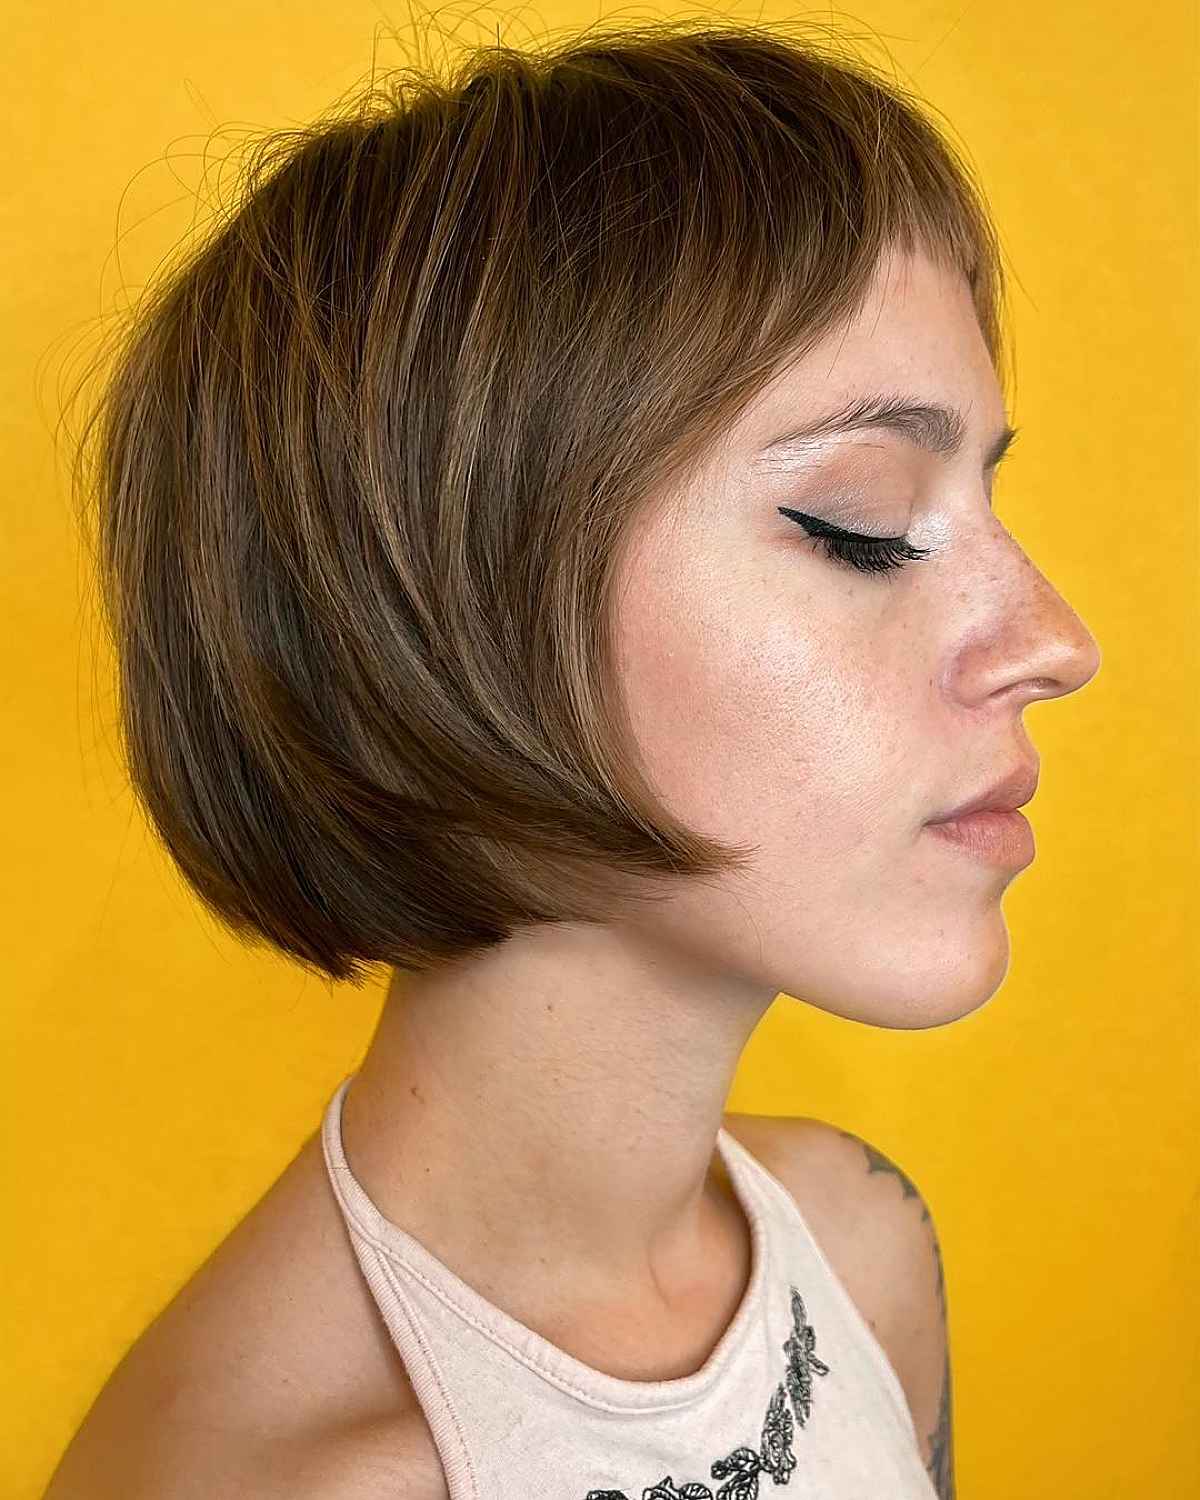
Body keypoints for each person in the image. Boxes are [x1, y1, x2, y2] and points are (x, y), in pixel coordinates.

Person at [45, 18, 1101, 1500]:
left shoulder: (862, 1246)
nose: (1053, 639)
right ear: (436, 607)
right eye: (862, 523)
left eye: (986, 496)